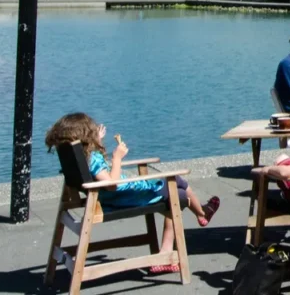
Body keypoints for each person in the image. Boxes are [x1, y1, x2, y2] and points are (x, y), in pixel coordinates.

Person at [44, 113, 220, 275]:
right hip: (126, 197)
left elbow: (101, 176)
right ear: (87, 137)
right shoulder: (94, 159)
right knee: (178, 188)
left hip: (112, 197)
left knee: (177, 193)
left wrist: (98, 141)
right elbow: (111, 185)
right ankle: (202, 214)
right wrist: (117, 158)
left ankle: (171, 246)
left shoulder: (82, 156)